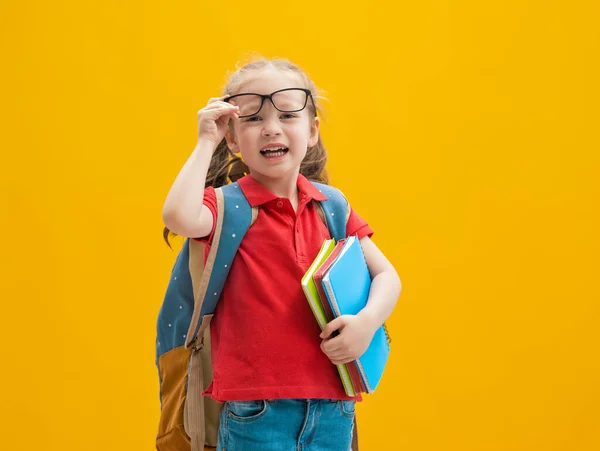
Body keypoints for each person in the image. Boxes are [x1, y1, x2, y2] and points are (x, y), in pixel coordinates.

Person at [162, 57, 402, 451]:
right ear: (233, 139)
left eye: (287, 113)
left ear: (311, 131)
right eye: (253, 118)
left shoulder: (332, 206)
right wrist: (206, 139)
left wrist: (366, 324)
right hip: (254, 410)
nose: (271, 128)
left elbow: (388, 276)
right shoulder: (225, 207)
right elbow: (178, 216)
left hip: (333, 406)